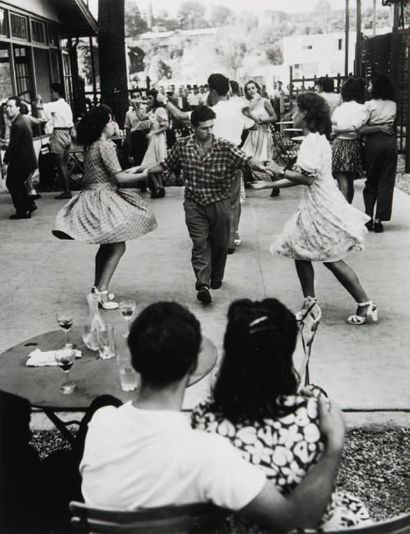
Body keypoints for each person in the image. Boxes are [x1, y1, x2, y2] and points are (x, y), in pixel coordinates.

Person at [80, 300, 346, 533]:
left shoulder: (100, 421)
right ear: (195, 366)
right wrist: (333, 447)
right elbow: (296, 518)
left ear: (135, 361)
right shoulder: (208, 453)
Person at [192, 298, 372, 531]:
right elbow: (315, 515)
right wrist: (333, 445)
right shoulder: (316, 415)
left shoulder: (205, 420)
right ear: (285, 357)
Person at [251, 93, 377, 326]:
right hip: (317, 203)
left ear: (307, 115)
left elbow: (306, 179)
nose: (291, 115)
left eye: (296, 111)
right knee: (300, 251)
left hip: (321, 206)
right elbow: (305, 177)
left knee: (331, 257)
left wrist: (279, 171)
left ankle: (365, 303)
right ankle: (312, 303)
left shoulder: (312, 142)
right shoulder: (315, 139)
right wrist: (271, 183)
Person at [145, 105, 266, 305]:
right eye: (204, 128)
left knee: (220, 245)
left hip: (220, 202)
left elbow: (247, 160)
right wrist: (145, 171)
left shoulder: (224, 146)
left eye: (211, 127)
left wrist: (262, 166)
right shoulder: (183, 145)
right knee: (199, 243)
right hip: (194, 204)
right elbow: (166, 165)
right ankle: (203, 285)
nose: (209, 131)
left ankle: (216, 277)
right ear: (193, 127)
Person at [52, 105, 157, 309]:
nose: (113, 124)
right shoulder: (106, 145)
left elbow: (108, 173)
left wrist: (134, 169)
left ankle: (96, 288)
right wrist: (145, 174)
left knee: (106, 245)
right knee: (118, 245)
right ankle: (102, 291)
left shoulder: (91, 145)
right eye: (110, 121)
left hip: (91, 196)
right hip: (104, 197)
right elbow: (119, 178)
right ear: (102, 126)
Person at [361, 75, 397, 233]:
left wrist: (376, 127)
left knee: (371, 179)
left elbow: (361, 129)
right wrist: (383, 127)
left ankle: (368, 216)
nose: (368, 87)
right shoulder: (393, 104)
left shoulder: (368, 105)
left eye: (370, 85)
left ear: (375, 87)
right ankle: (379, 219)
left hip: (373, 142)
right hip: (390, 142)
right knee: (386, 181)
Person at [331, 77, 368, 203]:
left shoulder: (339, 109)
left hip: (338, 144)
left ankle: (343, 212)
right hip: (354, 145)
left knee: (342, 182)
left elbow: (333, 126)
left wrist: (337, 131)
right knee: (350, 181)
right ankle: (348, 210)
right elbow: (357, 126)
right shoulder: (363, 108)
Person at [3, 96, 37, 219]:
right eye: (7, 106)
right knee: (17, 184)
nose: (8, 109)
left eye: (11, 106)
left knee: (12, 183)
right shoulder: (21, 120)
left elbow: (13, 146)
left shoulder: (17, 124)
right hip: (26, 160)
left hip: (21, 161)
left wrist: (5, 161)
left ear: (18, 107)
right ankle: (29, 204)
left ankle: (22, 211)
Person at [42, 82, 74, 199]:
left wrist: (37, 100)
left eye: (51, 92)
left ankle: (67, 191)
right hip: (67, 133)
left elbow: (39, 106)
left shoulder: (56, 105)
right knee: (64, 164)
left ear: (57, 92)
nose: (50, 95)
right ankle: (67, 189)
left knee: (61, 165)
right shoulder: (66, 105)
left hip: (59, 133)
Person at [141, 89, 169, 198]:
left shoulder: (160, 110)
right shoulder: (152, 111)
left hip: (158, 138)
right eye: (147, 98)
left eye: (150, 98)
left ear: (155, 99)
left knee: (148, 164)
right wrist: (135, 105)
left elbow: (165, 126)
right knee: (153, 163)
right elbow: (141, 117)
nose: (148, 100)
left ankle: (158, 187)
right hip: (152, 139)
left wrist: (153, 132)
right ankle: (159, 188)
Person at [241, 79, 277, 163]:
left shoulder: (264, 101)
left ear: (257, 89)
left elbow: (274, 117)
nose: (251, 90)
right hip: (252, 132)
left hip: (264, 132)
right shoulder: (248, 103)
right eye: (248, 89)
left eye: (253, 88)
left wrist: (263, 119)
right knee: (250, 157)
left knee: (263, 158)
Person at [20, 101, 47, 201]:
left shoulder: (17, 119)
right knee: (31, 167)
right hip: (27, 145)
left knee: (27, 168)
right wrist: (41, 112)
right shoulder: (26, 117)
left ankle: (31, 191)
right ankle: (30, 191)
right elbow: (41, 121)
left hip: (24, 145)